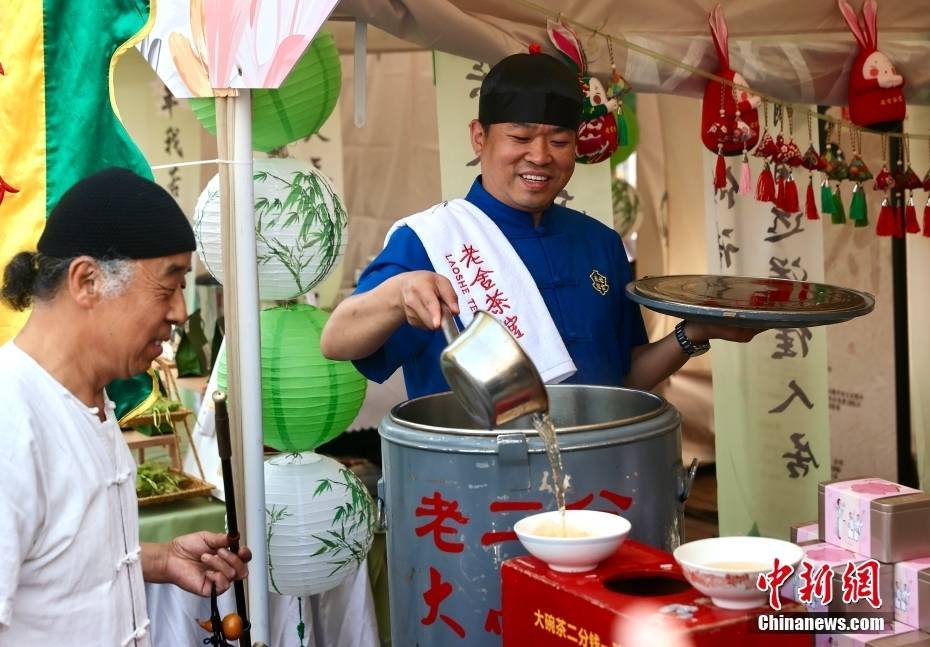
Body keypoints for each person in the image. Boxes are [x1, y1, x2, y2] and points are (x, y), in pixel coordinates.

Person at [320, 51, 756, 398]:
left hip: (593, 477)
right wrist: (398, 294)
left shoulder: (600, 243)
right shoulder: (431, 240)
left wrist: (697, 330)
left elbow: (622, 382)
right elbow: (337, 340)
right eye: (520, 138)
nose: (541, 156)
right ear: (479, 137)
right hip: (481, 481)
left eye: (560, 141)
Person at [0, 168, 251, 645]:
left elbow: (55, 565)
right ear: (88, 281)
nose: (180, 312)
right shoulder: (10, 418)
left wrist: (159, 559)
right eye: (169, 284)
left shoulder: (89, 399)